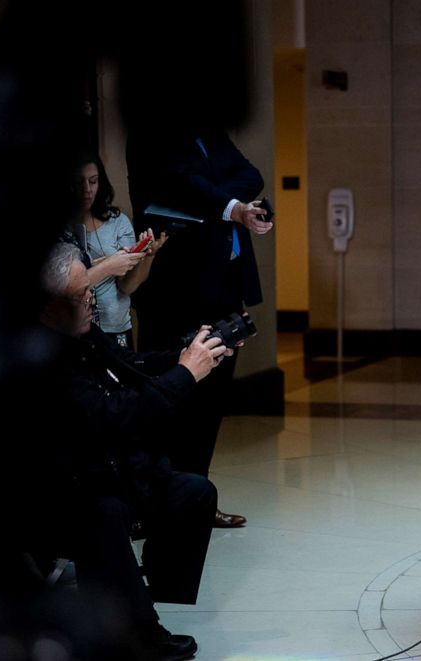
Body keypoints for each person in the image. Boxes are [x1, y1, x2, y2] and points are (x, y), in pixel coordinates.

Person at [35, 242, 232, 660]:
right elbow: (112, 414)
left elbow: (131, 367)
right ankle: (139, 628)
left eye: (89, 290)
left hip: (104, 470)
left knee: (195, 493)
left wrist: (192, 357)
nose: (91, 301)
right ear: (46, 307)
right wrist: (183, 375)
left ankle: (139, 599)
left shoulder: (86, 335)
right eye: (79, 296)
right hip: (56, 492)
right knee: (104, 512)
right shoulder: (44, 359)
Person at [126, 125, 273, 528]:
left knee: (211, 401)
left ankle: (196, 499)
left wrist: (220, 198)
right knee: (170, 399)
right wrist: (230, 204)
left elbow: (252, 174)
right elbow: (181, 183)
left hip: (225, 285)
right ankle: (152, 504)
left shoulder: (210, 129)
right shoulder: (150, 133)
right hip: (178, 291)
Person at [66, 151, 167, 350]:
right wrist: (109, 265)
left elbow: (127, 287)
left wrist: (147, 256)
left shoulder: (117, 222)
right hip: (74, 329)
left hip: (115, 325)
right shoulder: (61, 229)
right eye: (79, 182)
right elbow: (63, 286)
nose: (87, 189)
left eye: (93, 181)